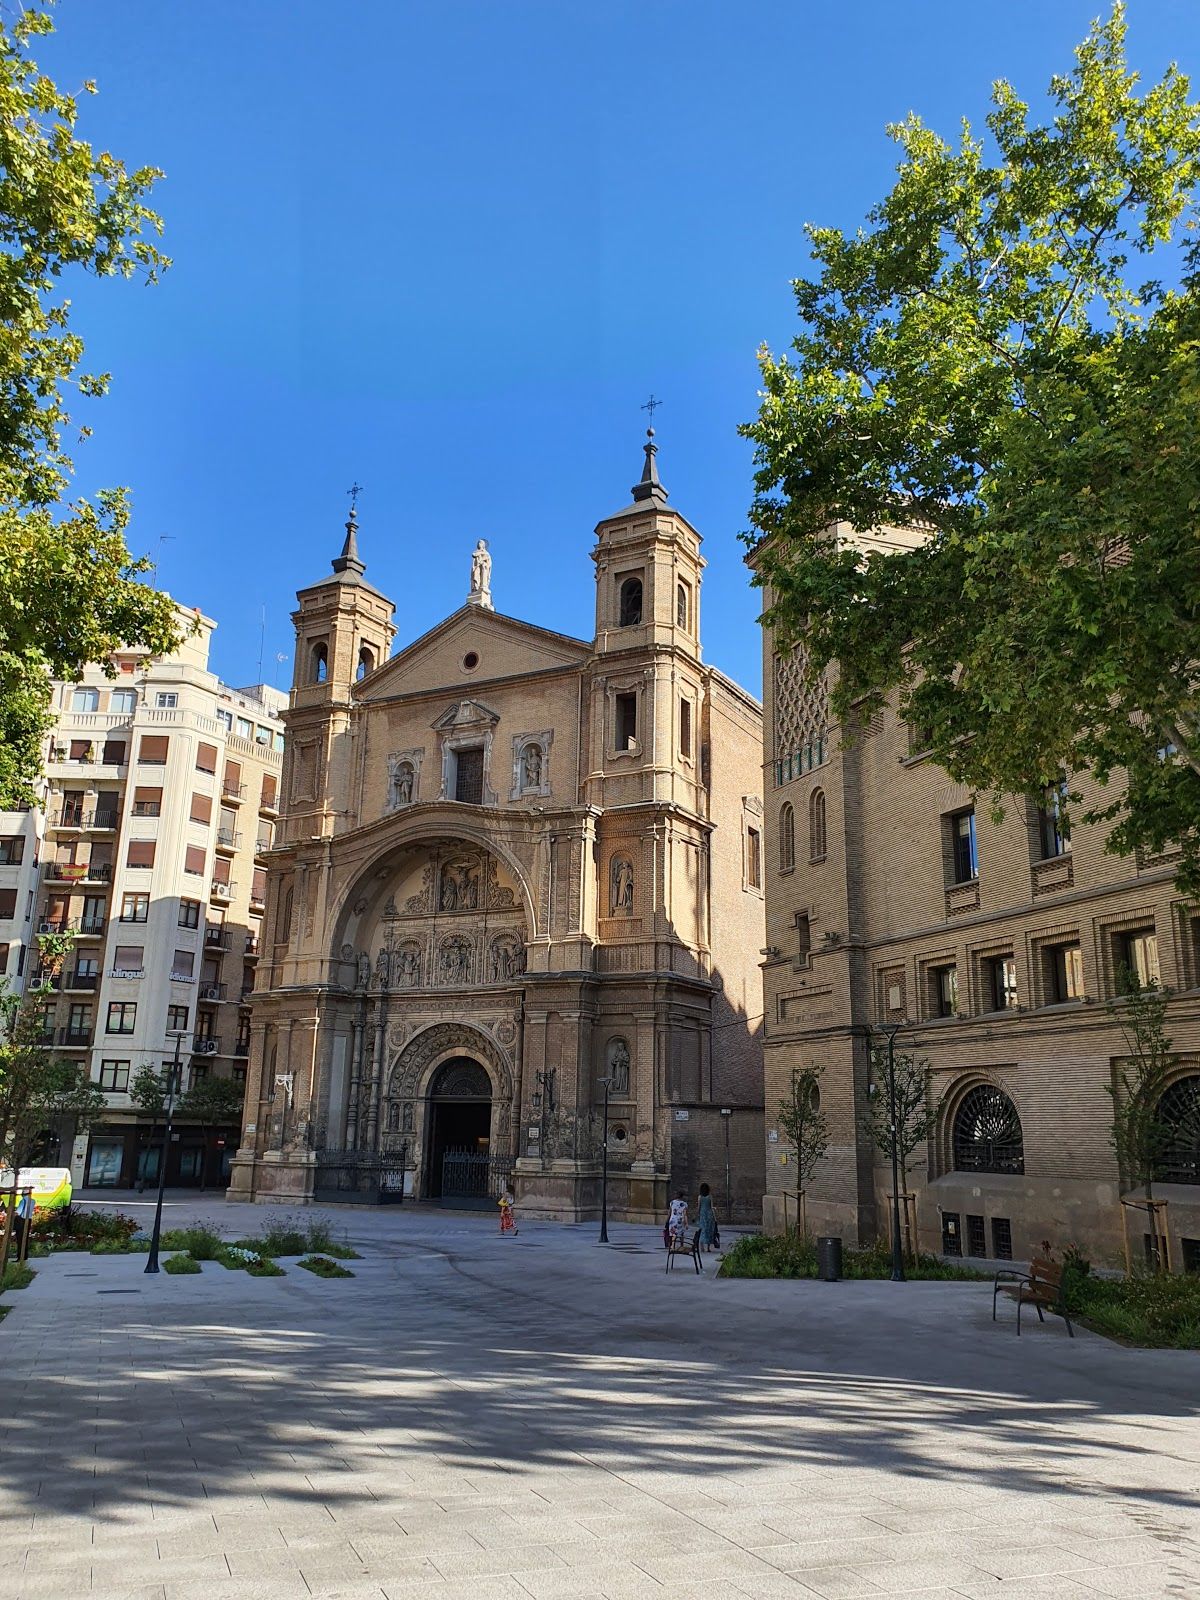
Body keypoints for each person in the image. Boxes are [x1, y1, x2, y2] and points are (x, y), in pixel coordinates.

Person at [696, 1183, 718, 1253]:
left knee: (702, 1230)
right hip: (709, 1215)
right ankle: (708, 1248)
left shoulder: (700, 1197)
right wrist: (715, 1217)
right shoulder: (710, 1196)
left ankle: (701, 1247)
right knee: (709, 1231)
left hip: (702, 1215)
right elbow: (711, 1207)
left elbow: (699, 1207)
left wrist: (697, 1215)